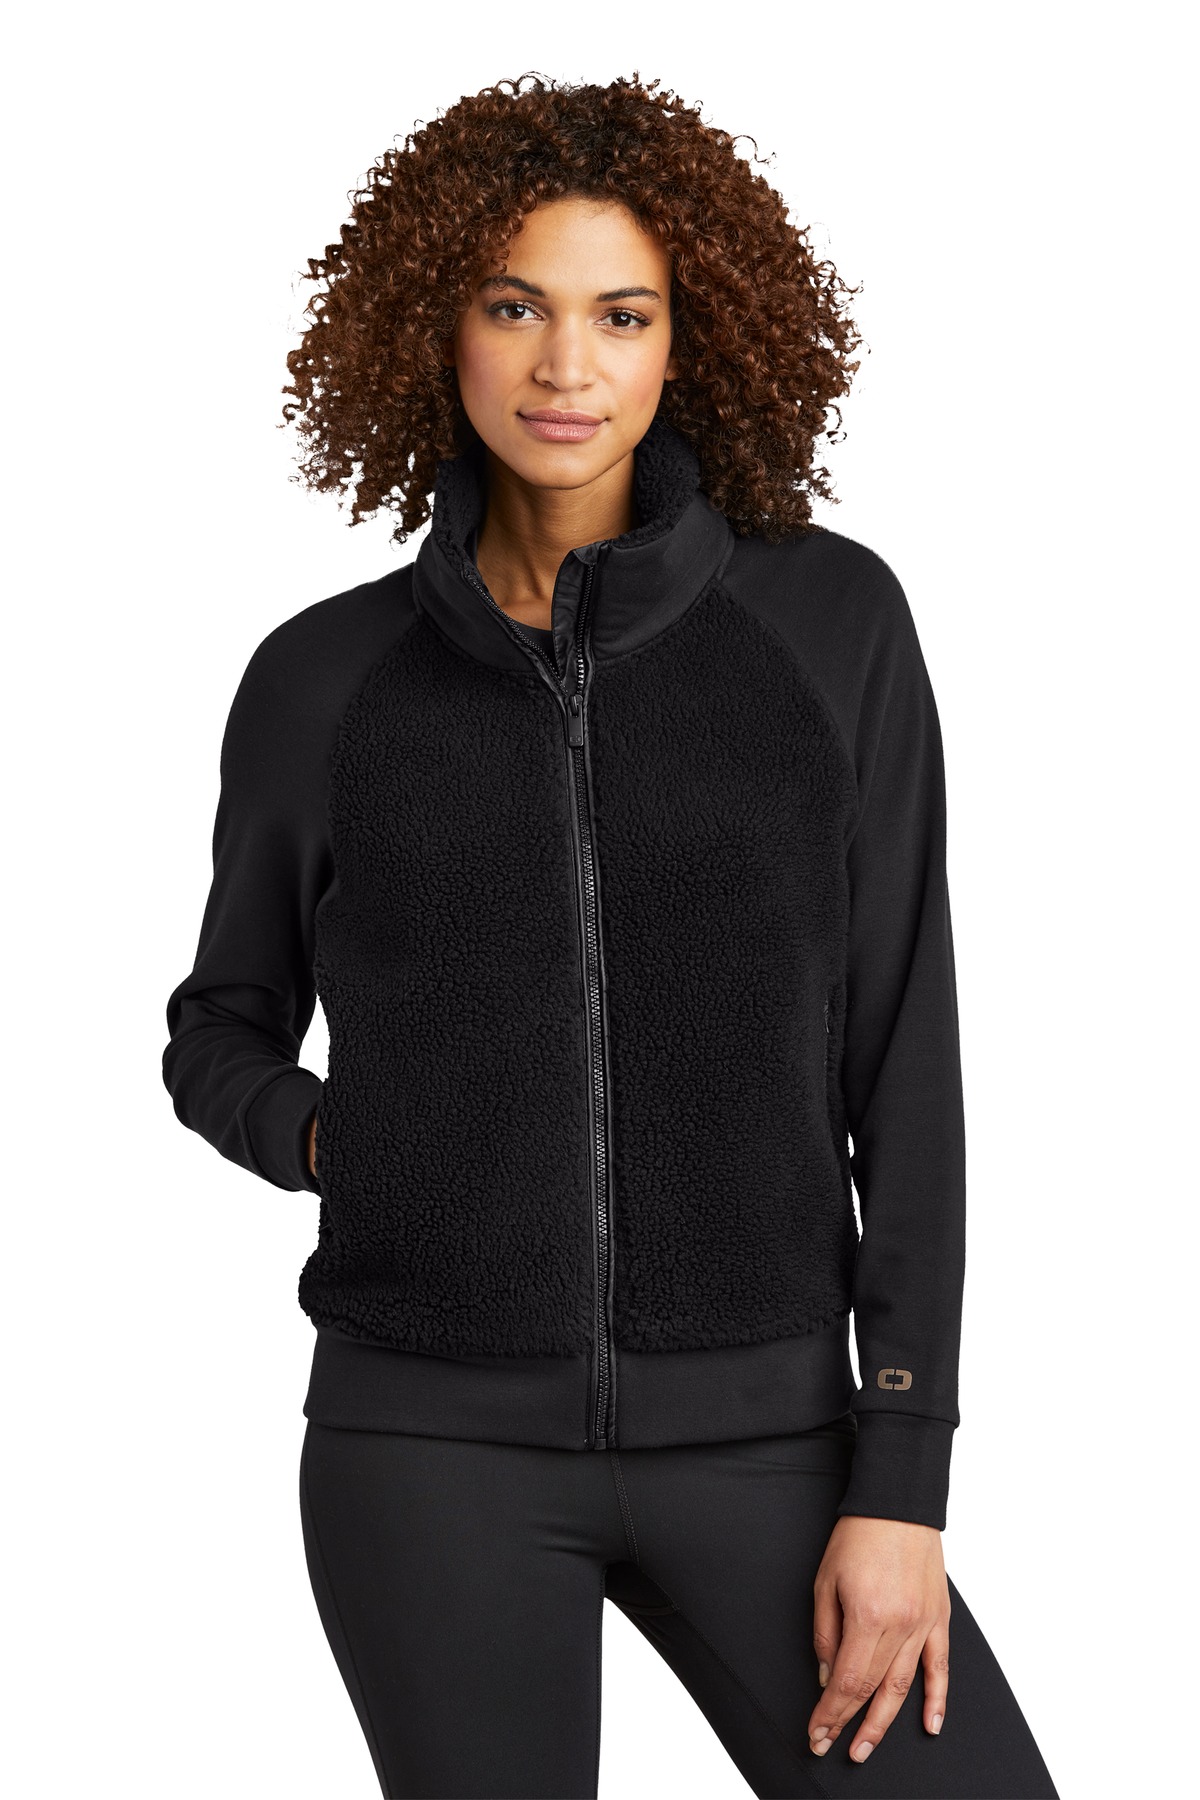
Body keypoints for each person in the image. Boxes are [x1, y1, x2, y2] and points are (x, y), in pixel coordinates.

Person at [162, 72, 1059, 1800]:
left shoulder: (829, 630)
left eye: (620, 314)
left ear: (687, 339)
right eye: (516, 307)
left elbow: (906, 1064)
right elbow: (221, 1025)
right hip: (426, 1449)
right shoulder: (324, 679)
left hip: (777, 1441)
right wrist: (334, 1139)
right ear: (437, 328)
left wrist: (904, 1474)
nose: (566, 367)